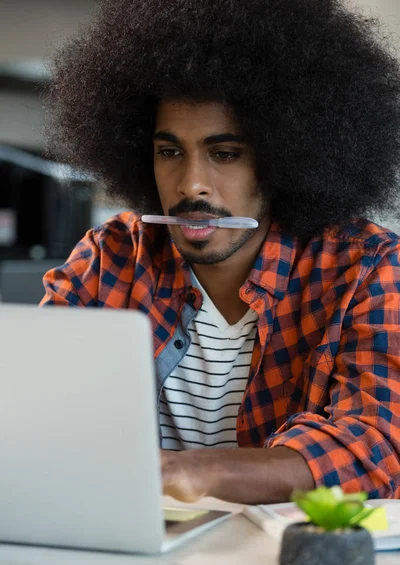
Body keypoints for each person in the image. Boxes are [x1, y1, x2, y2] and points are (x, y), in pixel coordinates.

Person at [41, 0, 400, 503]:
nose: (192, 185)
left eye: (225, 154)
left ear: (285, 157)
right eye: (170, 152)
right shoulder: (111, 256)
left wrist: (203, 472)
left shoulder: (368, 268)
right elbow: (34, 405)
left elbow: (375, 446)